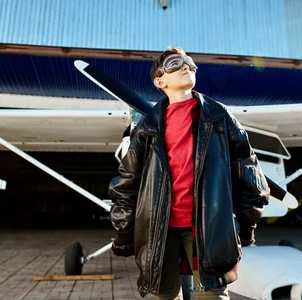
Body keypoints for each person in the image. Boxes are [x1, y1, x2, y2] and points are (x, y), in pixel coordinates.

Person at [108, 47, 271, 299]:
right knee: (165, 295)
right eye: (175, 62)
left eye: (189, 62)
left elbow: (248, 170)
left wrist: (246, 223)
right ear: (159, 81)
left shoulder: (219, 116)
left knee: (213, 293)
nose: (186, 66)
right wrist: (123, 230)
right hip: (158, 228)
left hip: (208, 226)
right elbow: (128, 180)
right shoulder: (146, 126)